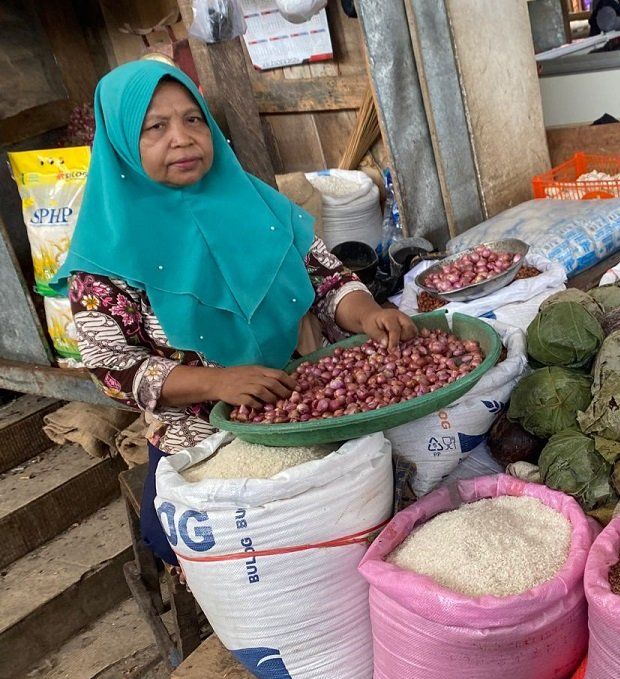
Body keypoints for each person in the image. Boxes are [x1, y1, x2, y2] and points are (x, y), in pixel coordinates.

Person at [51, 60, 417, 568]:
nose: (181, 139)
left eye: (193, 119)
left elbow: (326, 278)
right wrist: (218, 383)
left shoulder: (256, 203)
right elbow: (112, 366)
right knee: (217, 549)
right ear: (119, 143)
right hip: (203, 436)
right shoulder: (105, 255)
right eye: (155, 127)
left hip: (307, 401)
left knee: (359, 523)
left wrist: (367, 311)